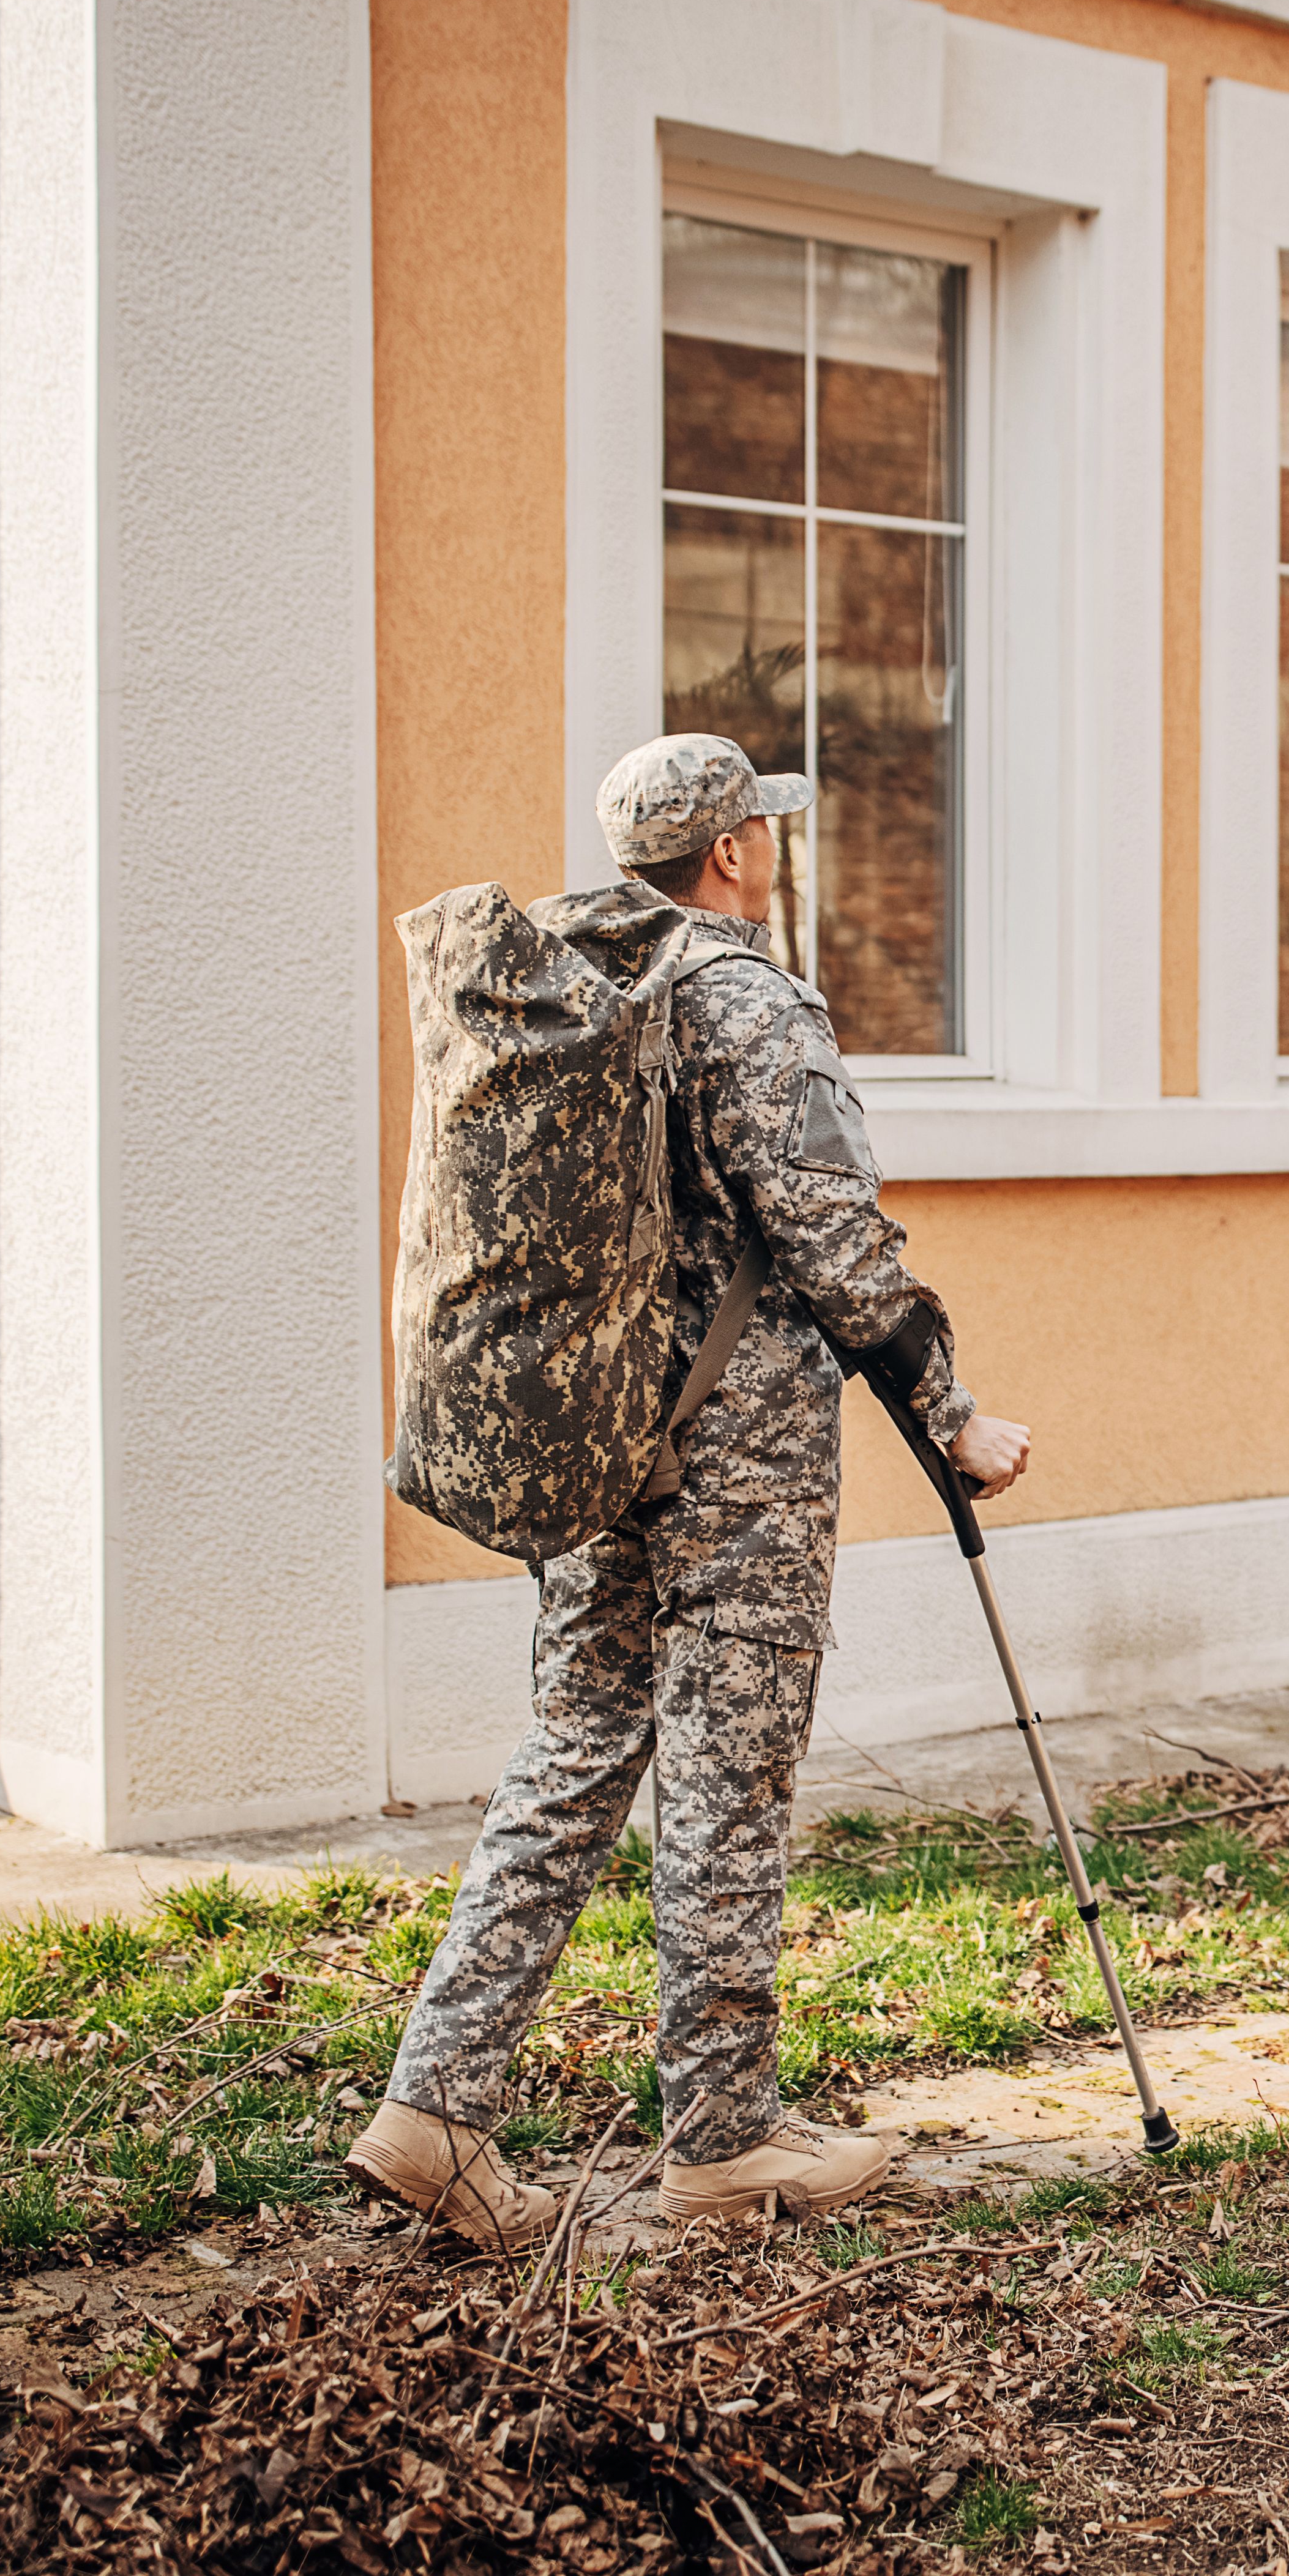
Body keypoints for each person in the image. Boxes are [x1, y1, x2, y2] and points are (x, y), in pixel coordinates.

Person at [346, 734, 1031, 2248]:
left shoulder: (568, 986)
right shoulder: (739, 994)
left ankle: (431, 2110)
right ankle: (725, 2139)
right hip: (740, 1471)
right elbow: (832, 1237)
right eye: (761, 833)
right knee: (727, 1781)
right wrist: (953, 1412)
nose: (769, 851)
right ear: (730, 853)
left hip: (598, 1447)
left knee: (574, 1757)